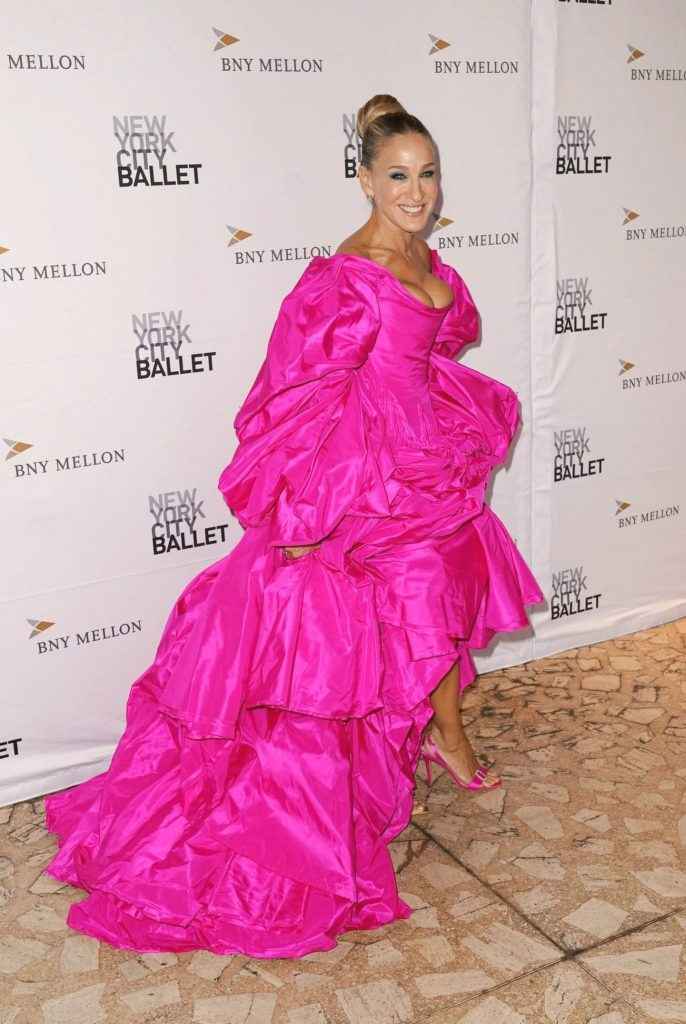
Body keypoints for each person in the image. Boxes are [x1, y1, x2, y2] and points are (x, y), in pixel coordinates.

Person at [43, 94, 543, 958]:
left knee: (448, 592)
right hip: (364, 481)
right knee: (393, 614)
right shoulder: (344, 277)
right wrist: (305, 508)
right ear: (364, 180)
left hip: (425, 461)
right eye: (397, 176)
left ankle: (444, 734)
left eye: (427, 175)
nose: (416, 192)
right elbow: (296, 393)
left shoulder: (423, 253)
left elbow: (428, 345)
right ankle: (414, 753)